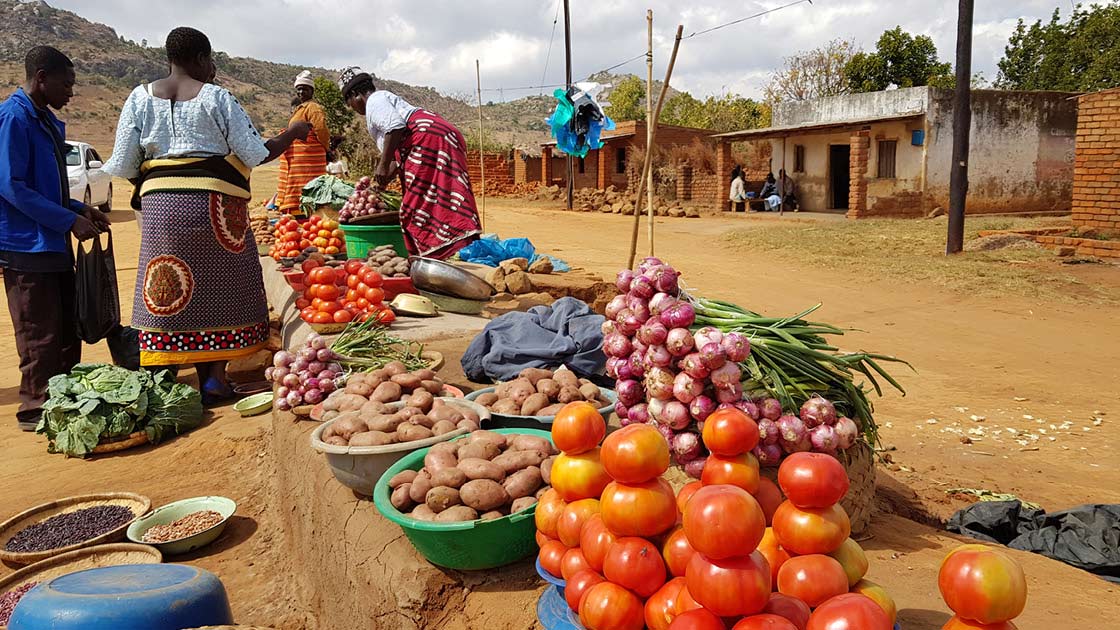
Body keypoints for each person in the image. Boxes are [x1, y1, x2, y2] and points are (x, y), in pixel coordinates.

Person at [102, 27, 311, 405]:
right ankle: (214, 380)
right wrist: (293, 132)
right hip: (214, 207)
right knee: (221, 288)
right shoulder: (217, 97)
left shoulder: (138, 98)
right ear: (201, 58)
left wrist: (161, 179)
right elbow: (255, 153)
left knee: (167, 286)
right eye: (211, 59)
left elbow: (124, 162)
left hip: (160, 208)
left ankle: (164, 372)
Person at [0, 46, 110, 431]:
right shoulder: (13, 118)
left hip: (51, 240)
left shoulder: (42, 119)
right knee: (38, 331)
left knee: (65, 325)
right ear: (42, 77)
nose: (71, 93)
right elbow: (12, 187)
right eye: (66, 84)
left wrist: (79, 209)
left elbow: (44, 186)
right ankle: (34, 408)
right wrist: (66, 221)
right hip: (25, 245)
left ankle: (63, 399)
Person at [339, 67, 481, 259]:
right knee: (448, 194)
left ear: (355, 95)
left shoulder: (375, 100)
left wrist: (381, 166)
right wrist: (379, 184)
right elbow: (397, 160)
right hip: (442, 137)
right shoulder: (385, 102)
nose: (353, 109)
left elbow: (395, 127)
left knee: (415, 206)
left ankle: (438, 256)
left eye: (349, 104)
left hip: (427, 140)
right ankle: (463, 249)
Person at [276, 71, 330, 216]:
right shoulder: (301, 109)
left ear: (312, 91)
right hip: (298, 159)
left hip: (307, 158)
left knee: (306, 186)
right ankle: (298, 213)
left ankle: (304, 214)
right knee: (298, 187)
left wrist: (326, 149)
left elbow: (321, 130)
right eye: (299, 89)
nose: (301, 92)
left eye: (305, 88)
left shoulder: (313, 108)